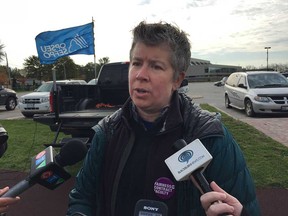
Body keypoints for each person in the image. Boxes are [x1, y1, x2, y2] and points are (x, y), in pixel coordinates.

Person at [67, 21, 260, 216]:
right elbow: (82, 198)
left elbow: (245, 207)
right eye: (136, 63)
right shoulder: (107, 132)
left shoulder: (209, 135)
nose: (141, 75)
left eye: (156, 66)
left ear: (177, 79)